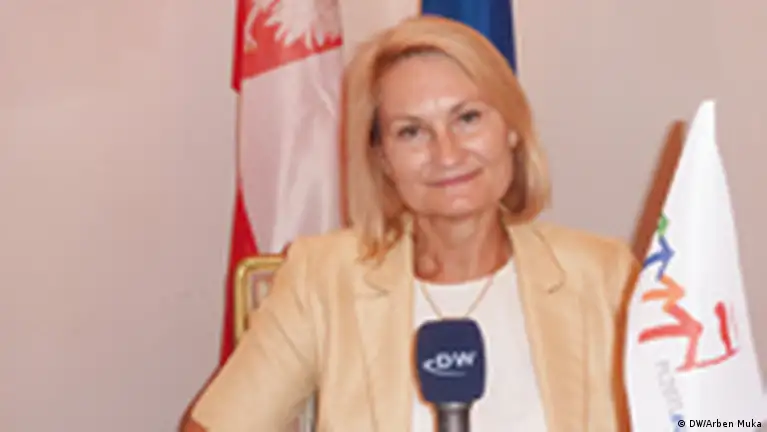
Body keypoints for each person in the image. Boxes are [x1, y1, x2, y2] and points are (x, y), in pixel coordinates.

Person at [182, 15, 638, 432]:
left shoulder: (605, 278)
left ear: (512, 129)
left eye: (468, 118)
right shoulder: (322, 280)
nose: (447, 153)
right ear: (382, 158)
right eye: (412, 131)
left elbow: (682, 418)